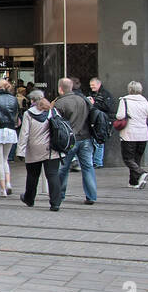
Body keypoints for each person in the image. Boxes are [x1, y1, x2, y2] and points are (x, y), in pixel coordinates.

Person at [16, 89, 64, 210]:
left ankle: (29, 198)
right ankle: (55, 202)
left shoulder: (28, 114)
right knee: (53, 175)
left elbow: (24, 133)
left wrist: (20, 151)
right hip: (51, 149)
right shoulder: (53, 111)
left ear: (32, 100)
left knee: (32, 175)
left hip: (34, 149)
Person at [52, 77, 96, 206]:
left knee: (63, 168)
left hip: (69, 140)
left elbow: (56, 124)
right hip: (86, 137)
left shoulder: (59, 103)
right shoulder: (83, 100)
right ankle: (91, 196)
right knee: (88, 167)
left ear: (60, 89)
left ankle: (59, 194)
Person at [115, 81, 148, 189]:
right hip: (142, 135)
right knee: (137, 159)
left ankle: (141, 173)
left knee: (128, 159)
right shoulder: (145, 102)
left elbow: (120, 116)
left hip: (129, 134)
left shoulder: (124, 100)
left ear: (129, 90)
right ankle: (134, 181)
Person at [0, 79, 20, 197]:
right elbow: (16, 114)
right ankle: (8, 183)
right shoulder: (14, 99)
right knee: (5, 159)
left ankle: (3, 189)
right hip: (10, 130)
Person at [88, 78, 113, 168]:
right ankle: (94, 161)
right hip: (92, 120)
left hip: (102, 121)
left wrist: (94, 104)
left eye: (93, 85)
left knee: (99, 142)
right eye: (90, 85)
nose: (91, 87)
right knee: (93, 142)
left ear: (98, 84)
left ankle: (98, 162)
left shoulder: (105, 95)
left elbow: (107, 107)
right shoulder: (91, 94)